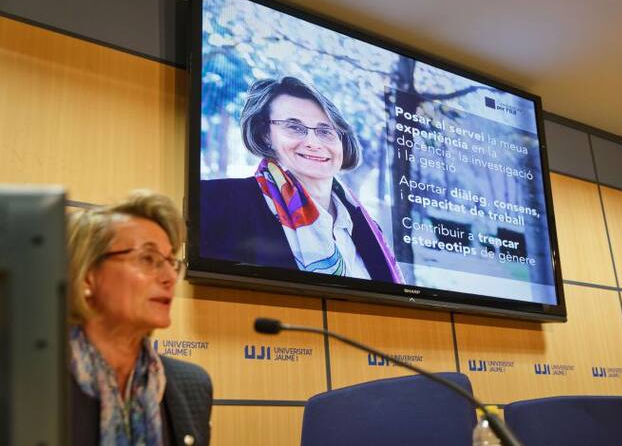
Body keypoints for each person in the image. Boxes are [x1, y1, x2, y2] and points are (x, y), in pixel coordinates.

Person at [200, 76, 403, 283]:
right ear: (265, 135)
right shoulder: (214, 203)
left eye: (325, 131)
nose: (313, 143)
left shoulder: (368, 228)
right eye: (294, 127)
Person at [67, 190, 212, 446]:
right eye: (148, 258)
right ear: (88, 274)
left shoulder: (192, 385)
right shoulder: (28, 379)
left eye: (171, 262)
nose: (170, 277)